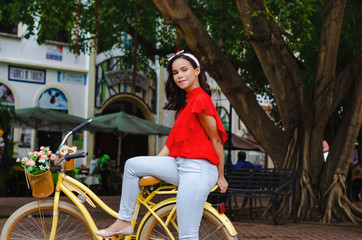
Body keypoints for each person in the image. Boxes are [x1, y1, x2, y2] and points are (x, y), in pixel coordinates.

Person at [95, 50, 228, 239]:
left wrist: (221, 176)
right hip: (181, 165)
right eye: (175, 73)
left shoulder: (200, 99)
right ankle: (124, 222)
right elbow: (169, 146)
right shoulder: (186, 104)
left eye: (184, 70)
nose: (179, 76)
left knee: (187, 235)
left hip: (199, 170)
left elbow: (216, 140)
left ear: (197, 70)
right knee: (132, 165)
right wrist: (152, 168)